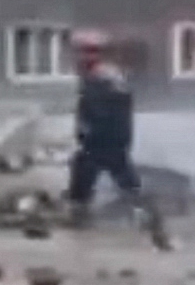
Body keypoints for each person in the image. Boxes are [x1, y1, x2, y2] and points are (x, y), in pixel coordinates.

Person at [67, 31, 167, 244]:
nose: (79, 58)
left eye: (83, 53)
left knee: (90, 171)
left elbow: (99, 110)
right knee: (109, 173)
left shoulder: (102, 79)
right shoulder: (106, 77)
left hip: (103, 138)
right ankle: (145, 213)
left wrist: (88, 129)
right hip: (109, 138)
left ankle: (82, 214)